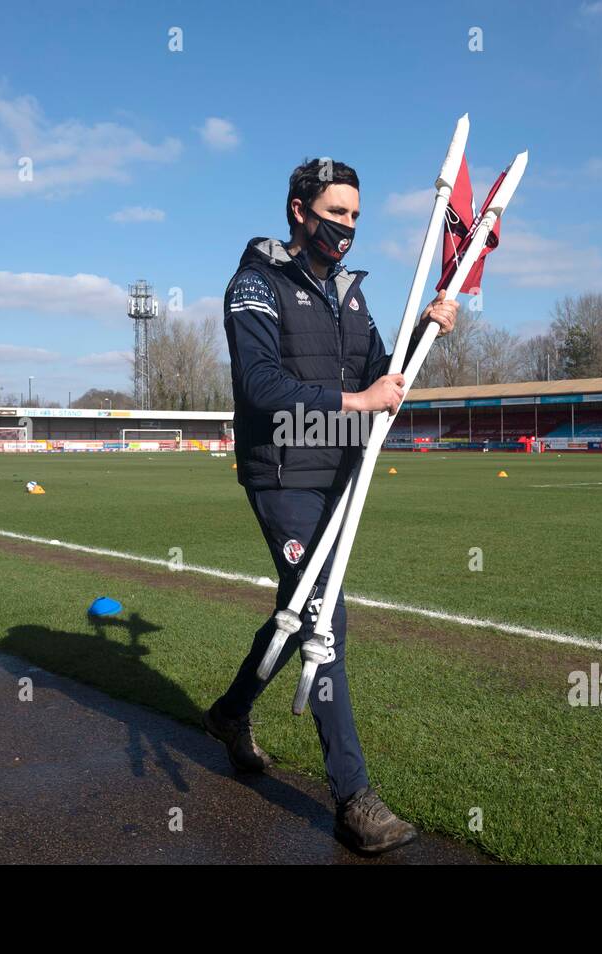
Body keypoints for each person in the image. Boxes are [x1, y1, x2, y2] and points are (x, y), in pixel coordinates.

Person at [203, 158, 457, 854]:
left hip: (341, 472)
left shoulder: (348, 293)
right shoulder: (255, 284)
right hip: (283, 473)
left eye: (354, 216)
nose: (346, 227)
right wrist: (355, 403)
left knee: (297, 612)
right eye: (335, 212)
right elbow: (259, 386)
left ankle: (231, 712)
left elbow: (383, 373)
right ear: (298, 210)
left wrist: (427, 326)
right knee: (325, 619)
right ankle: (354, 800)